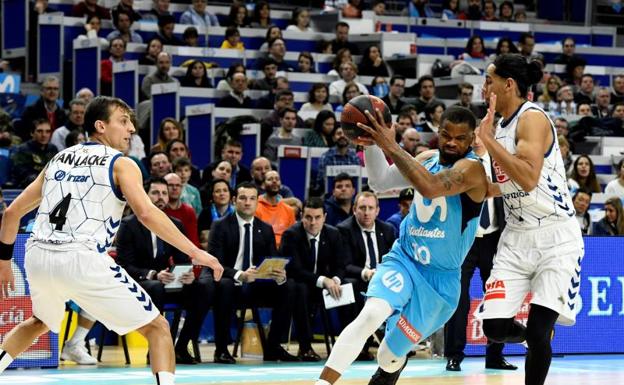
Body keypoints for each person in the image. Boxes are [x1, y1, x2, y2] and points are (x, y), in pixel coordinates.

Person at [0, 96, 223, 385]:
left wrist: (4, 262)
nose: (131, 128)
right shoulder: (122, 164)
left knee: (39, 322)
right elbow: (146, 213)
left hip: (38, 255)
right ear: (100, 126)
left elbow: (12, 212)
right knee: (158, 329)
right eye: (123, 121)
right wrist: (195, 252)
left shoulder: (57, 159)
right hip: (82, 257)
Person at [314, 103, 488, 385]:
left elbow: (431, 186)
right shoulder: (427, 156)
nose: (452, 143)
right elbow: (381, 182)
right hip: (405, 259)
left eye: (460, 138)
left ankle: (389, 367)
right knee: (370, 314)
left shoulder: (473, 171)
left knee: (387, 356)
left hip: (439, 285)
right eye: (446, 135)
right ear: (438, 133)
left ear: (472, 140)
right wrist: (371, 142)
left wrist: (390, 144)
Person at [476, 53, 584, 385]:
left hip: (556, 237)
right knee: (493, 328)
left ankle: (537, 344)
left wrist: (489, 141)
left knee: (539, 331)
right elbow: (508, 185)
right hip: (517, 237)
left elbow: (527, 178)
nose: (484, 86)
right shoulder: (499, 125)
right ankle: (532, 339)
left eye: (489, 79)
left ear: (508, 85)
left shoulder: (531, 118)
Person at [116, 177, 215, 364]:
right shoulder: (129, 225)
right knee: (156, 287)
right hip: (140, 282)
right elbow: (123, 265)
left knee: (204, 288)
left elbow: (183, 260)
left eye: (164, 193)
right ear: (145, 196)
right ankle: (157, 350)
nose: (160, 197)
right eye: (155, 193)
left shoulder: (175, 224)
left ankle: (181, 347)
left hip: (167, 281)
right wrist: (153, 274)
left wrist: (187, 274)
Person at [444, 134, 515, 372]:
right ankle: (454, 355)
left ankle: (495, 355)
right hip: (464, 238)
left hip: (495, 238)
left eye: (479, 135)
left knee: (498, 300)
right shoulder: (461, 165)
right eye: (471, 136)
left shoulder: (500, 163)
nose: (475, 140)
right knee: (458, 298)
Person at [207, 182, 299, 363]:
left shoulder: (265, 229)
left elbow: (272, 260)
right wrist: (239, 274)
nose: (247, 203)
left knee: (289, 287)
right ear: (234, 201)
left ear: (257, 202)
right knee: (225, 287)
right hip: (230, 283)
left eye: (252, 199)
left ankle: (273, 347)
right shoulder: (220, 226)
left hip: (257, 286)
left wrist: (278, 275)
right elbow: (214, 263)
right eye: (242, 198)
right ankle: (221, 349)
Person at [281, 197, 347, 361]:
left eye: (317, 218)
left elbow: (340, 265)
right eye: (308, 217)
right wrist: (324, 280)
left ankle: (352, 346)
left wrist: (336, 281)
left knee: (349, 288)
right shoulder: (291, 235)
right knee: (300, 288)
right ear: (301, 216)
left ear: (324, 217)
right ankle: (305, 347)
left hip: (327, 286)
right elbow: (294, 270)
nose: (312, 222)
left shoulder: (333, 234)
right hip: (302, 284)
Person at [336, 191, 397, 361]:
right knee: (353, 286)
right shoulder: (344, 229)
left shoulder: (387, 230)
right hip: (361, 279)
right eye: (362, 208)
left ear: (377, 210)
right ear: (354, 209)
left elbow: (394, 259)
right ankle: (360, 346)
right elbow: (344, 264)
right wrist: (366, 273)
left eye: (371, 208)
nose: (366, 212)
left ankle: (396, 344)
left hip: (384, 279)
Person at [10, 119, 58, 188]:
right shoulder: (23, 149)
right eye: (40, 131)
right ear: (32, 133)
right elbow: (22, 172)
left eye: (47, 132)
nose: (44, 135)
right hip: (27, 188)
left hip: (49, 186)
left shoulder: (53, 149)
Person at [255, 170, 296, 247]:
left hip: (284, 250)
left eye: (277, 179)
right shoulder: (256, 208)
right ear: (263, 185)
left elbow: (292, 236)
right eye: (270, 179)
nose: (274, 181)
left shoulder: (289, 210)